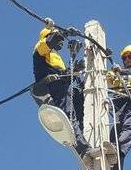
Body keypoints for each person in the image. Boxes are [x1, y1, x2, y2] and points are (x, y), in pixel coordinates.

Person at [31, 18, 91, 157]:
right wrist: (63, 33)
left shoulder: (55, 57)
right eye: (58, 39)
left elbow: (64, 76)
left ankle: (84, 140)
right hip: (52, 88)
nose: (61, 43)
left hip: (63, 87)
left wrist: (75, 69)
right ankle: (81, 147)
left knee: (80, 106)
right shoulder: (40, 50)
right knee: (69, 114)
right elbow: (48, 43)